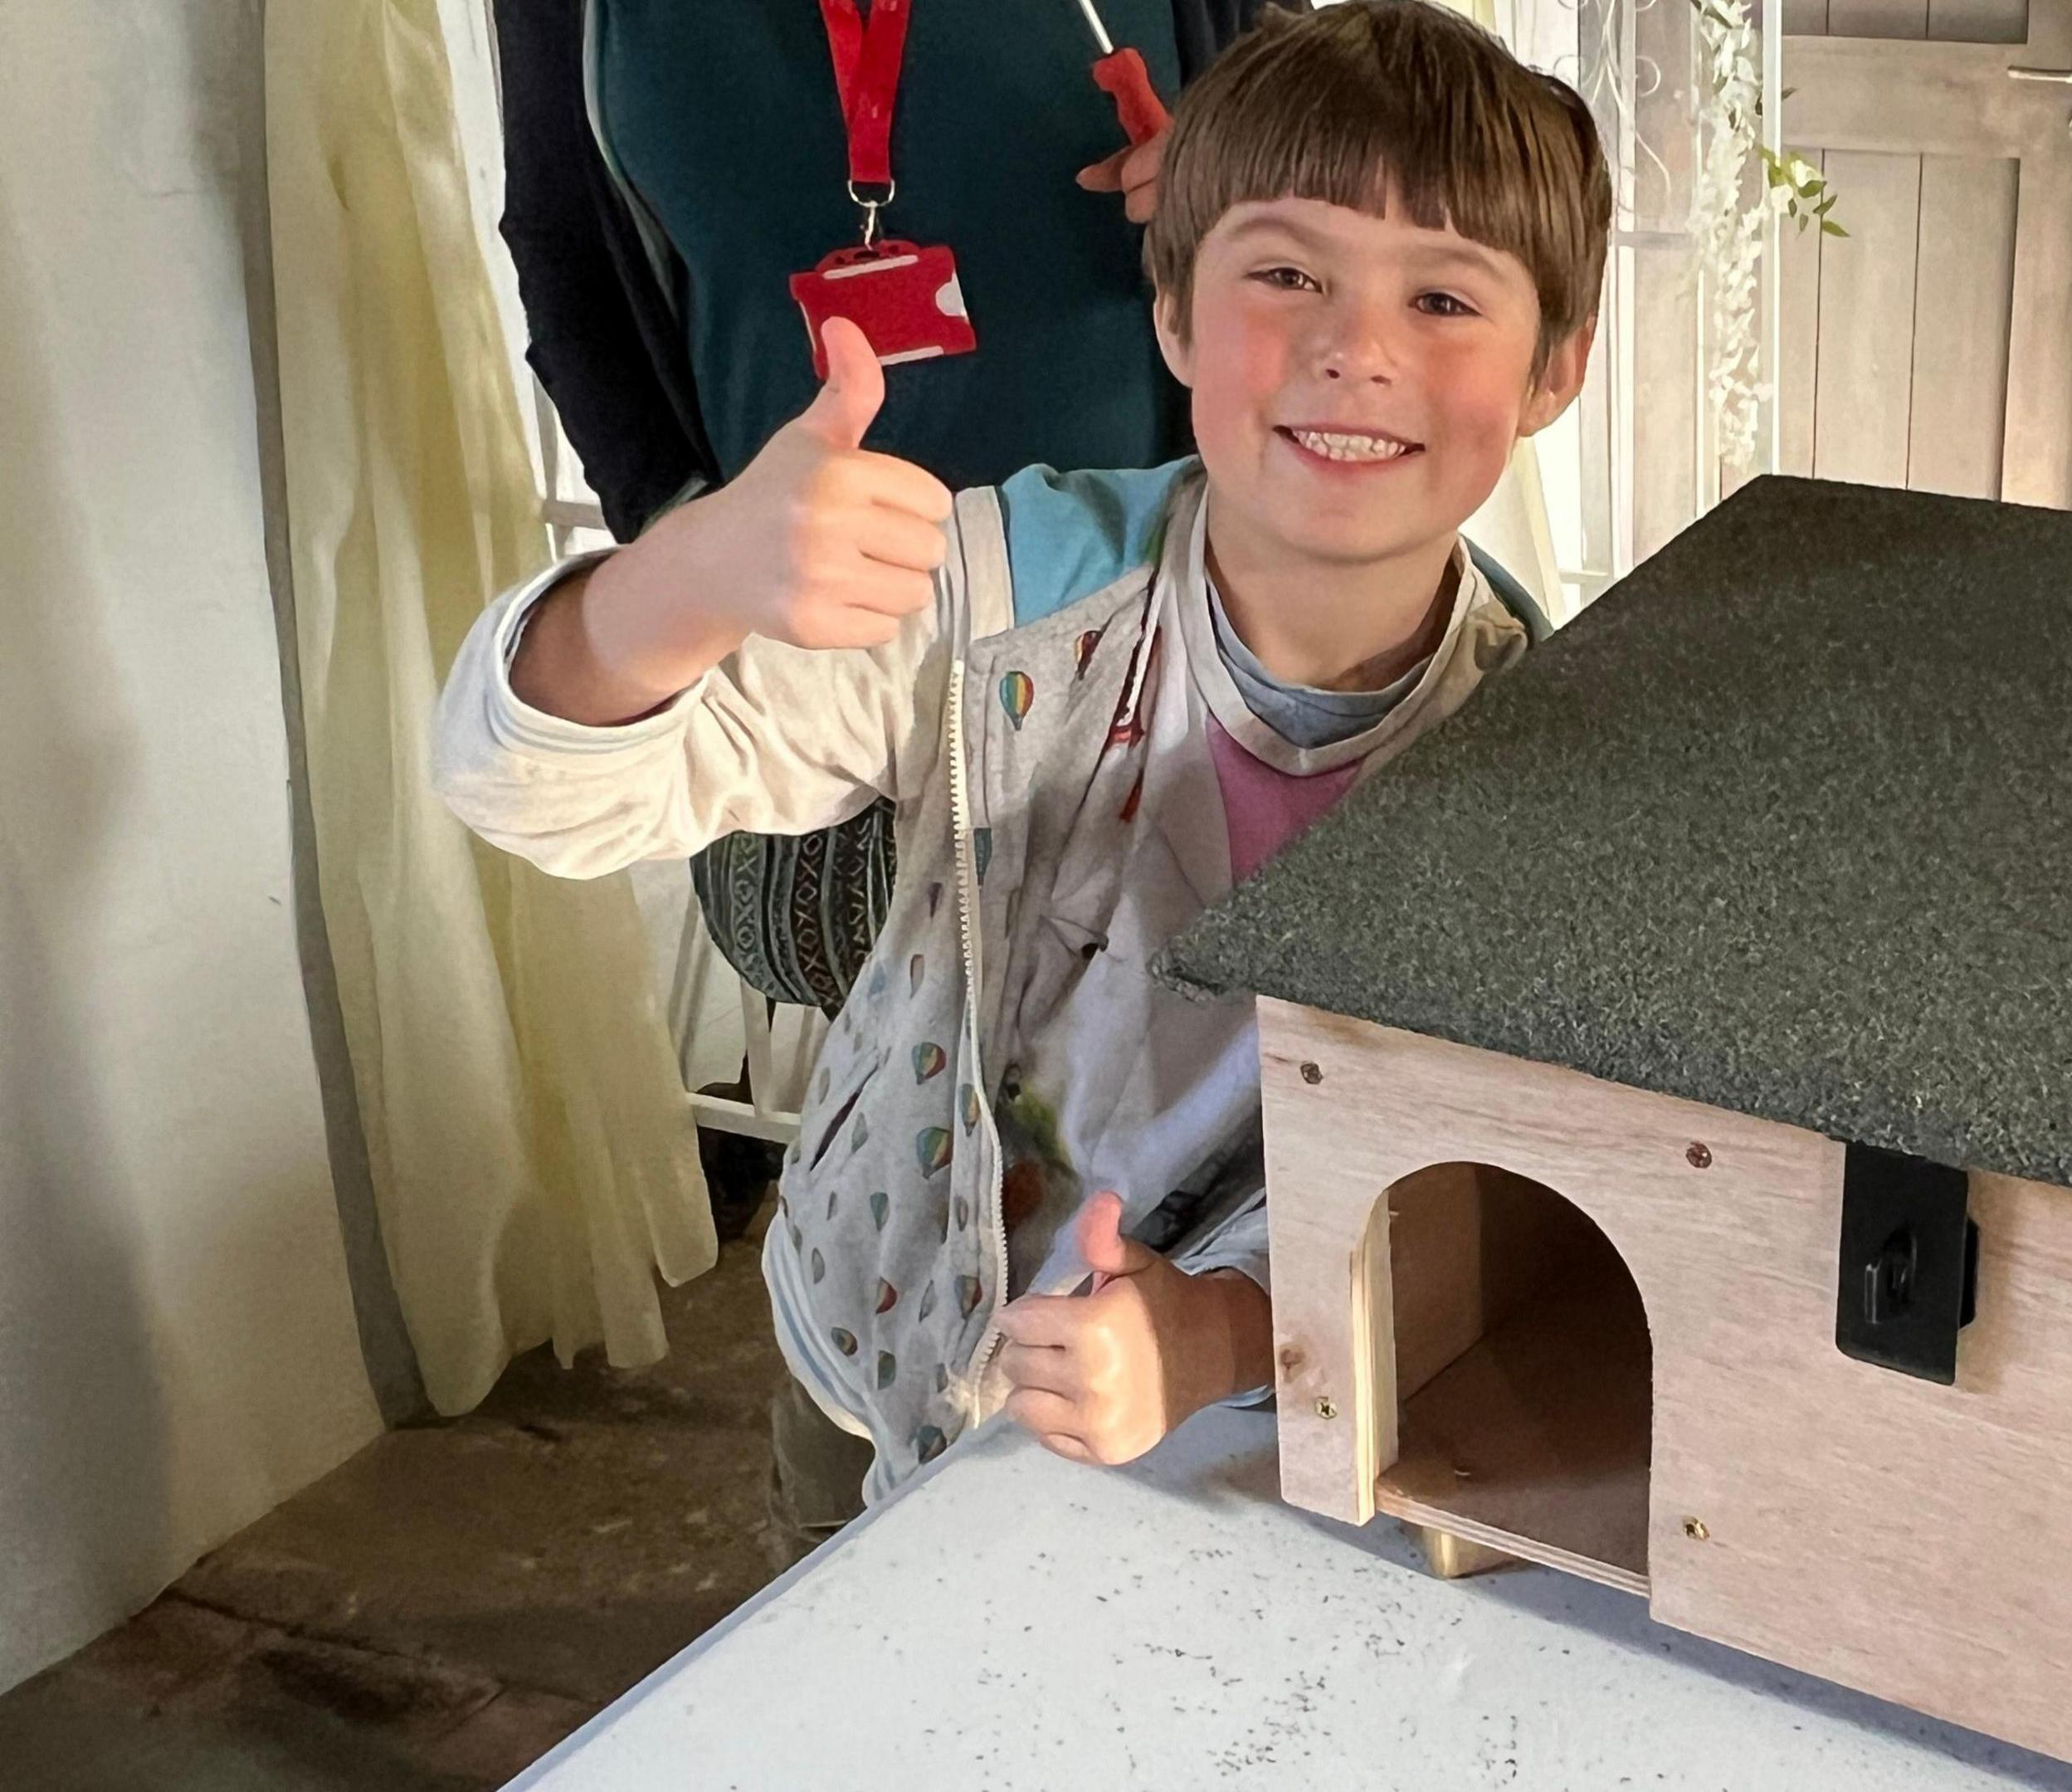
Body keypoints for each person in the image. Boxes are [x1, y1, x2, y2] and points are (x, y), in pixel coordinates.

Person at [435, 0, 1609, 1561]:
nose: (1356, 346)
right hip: (877, 1362)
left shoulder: (1551, 767)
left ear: (1554, 371)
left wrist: (1228, 1336)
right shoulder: (1000, 598)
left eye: (1447, 295)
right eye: (1286, 272)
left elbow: (1510, 1204)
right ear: (1176, 314)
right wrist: (684, 576)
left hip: (1265, 1445)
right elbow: (537, 791)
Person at [489, 0, 1276, 1013]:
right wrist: (687, 538)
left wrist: (1261, 186)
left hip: (1163, 654)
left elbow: (1336, 158)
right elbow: (562, 246)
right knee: (896, 1089)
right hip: (806, 684)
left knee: (1206, 1058)